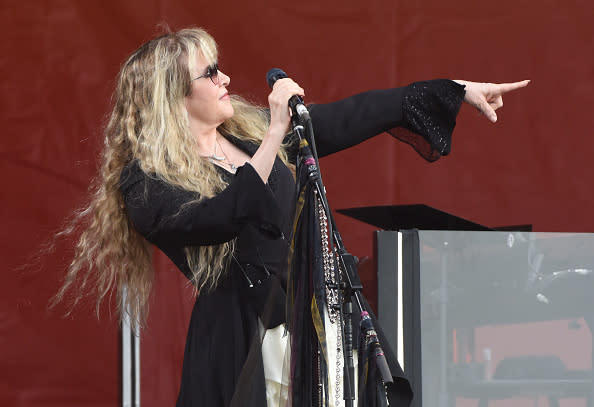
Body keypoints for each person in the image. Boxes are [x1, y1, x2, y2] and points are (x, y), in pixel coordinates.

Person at [53, 27, 529, 406]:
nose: (226, 80)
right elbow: (221, 217)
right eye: (211, 72)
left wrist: (456, 89)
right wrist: (276, 129)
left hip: (317, 321)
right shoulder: (146, 182)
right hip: (244, 343)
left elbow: (350, 116)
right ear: (173, 96)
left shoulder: (248, 133)